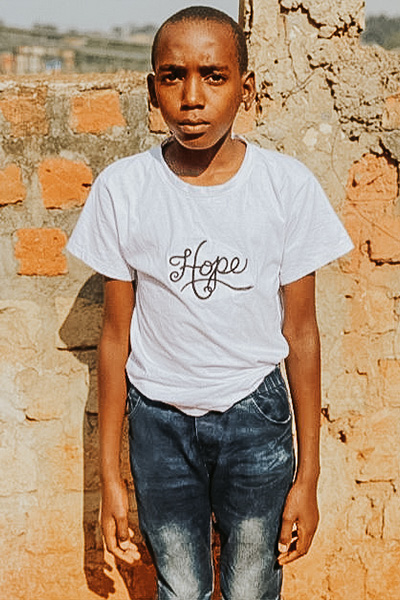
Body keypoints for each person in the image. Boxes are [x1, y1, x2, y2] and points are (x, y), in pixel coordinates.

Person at [67, 6, 353, 600]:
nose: (192, 98)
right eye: (174, 77)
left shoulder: (285, 187)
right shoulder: (124, 189)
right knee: (181, 586)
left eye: (214, 76)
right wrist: (110, 478)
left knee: (252, 585)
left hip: (256, 416)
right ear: (154, 89)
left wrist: (309, 476)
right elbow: (115, 338)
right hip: (158, 421)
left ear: (246, 88)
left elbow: (302, 334)